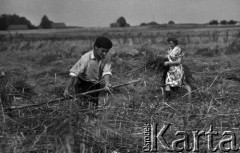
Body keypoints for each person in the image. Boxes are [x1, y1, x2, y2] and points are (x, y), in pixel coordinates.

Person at [63, 36, 113, 109]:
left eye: (107, 51)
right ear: (96, 47)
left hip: (96, 84)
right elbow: (74, 74)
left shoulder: (107, 56)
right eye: (103, 51)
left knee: (94, 106)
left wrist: (107, 84)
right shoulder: (85, 58)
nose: (105, 53)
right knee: (83, 106)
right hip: (83, 84)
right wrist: (67, 89)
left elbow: (107, 71)